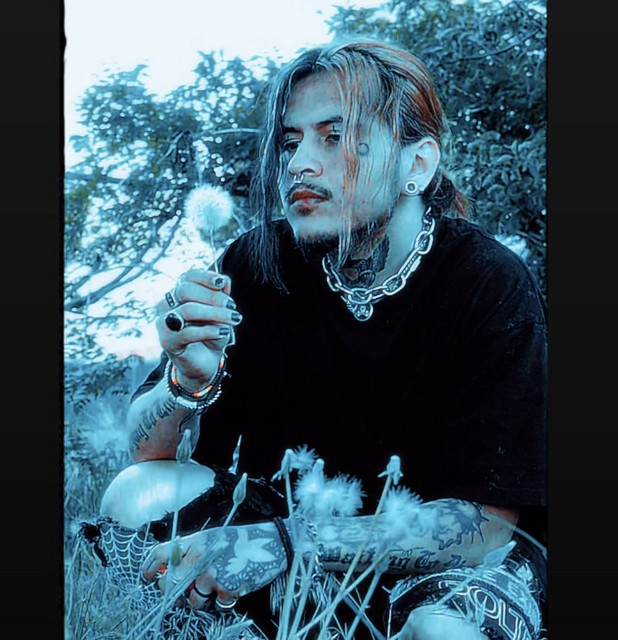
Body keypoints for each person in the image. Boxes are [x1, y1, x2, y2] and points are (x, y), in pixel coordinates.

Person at [107, 40, 547, 640]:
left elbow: (487, 526)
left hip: (446, 565)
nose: (298, 165)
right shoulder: (255, 265)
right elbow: (145, 456)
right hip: (286, 542)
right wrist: (188, 383)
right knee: (136, 495)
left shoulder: (488, 283)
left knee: (443, 630)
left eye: (334, 137)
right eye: (290, 142)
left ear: (417, 165)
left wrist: (285, 541)